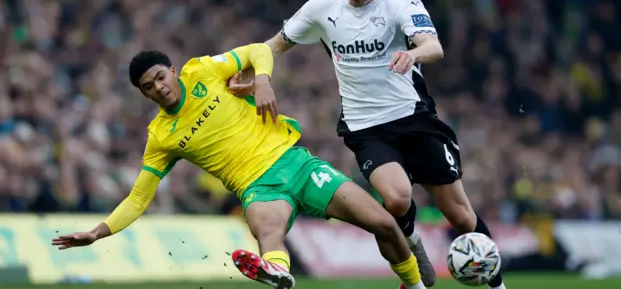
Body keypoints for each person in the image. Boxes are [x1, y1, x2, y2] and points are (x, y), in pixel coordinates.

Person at [229, 0, 506, 289]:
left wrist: (413, 55)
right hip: (366, 128)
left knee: (462, 216)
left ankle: (497, 285)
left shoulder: (402, 4)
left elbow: (433, 46)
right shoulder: (321, 7)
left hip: (415, 119)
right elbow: (276, 44)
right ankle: (412, 244)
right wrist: (248, 69)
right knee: (396, 197)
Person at [50, 44, 429, 289]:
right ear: (144, 94)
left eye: (160, 77)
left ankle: (413, 285)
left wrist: (262, 81)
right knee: (268, 230)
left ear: (173, 70)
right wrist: (99, 232)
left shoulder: (204, 71)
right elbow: (138, 198)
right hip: (258, 188)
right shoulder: (161, 137)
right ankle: (278, 273)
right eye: (149, 87)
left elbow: (259, 51)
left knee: (383, 223)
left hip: (295, 162)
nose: (159, 88)